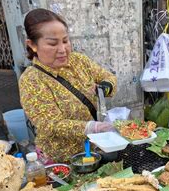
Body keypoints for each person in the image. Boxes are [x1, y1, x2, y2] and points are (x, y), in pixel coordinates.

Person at [19, 9, 117, 163]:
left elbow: (108, 76)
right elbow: (51, 124)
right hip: (62, 159)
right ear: (32, 45)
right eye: (52, 43)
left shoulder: (78, 61)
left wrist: (105, 87)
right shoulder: (31, 80)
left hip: (94, 150)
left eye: (65, 41)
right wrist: (93, 128)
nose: (62, 50)